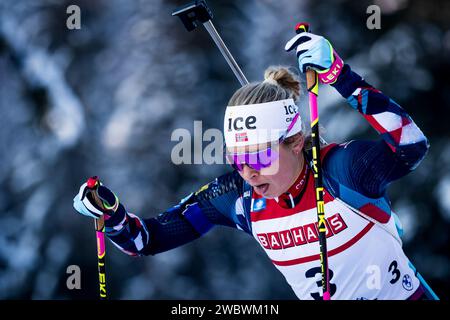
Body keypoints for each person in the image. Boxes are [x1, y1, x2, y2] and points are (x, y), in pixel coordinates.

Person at [73, 30, 439, 300]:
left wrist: (340, 77)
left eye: (260, 156)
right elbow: (145, 240)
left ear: (296, 142)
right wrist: (113, 216)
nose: (248, 172)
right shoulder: (240, 199)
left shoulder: (344, 172)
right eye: (237, 160)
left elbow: (411, 145)